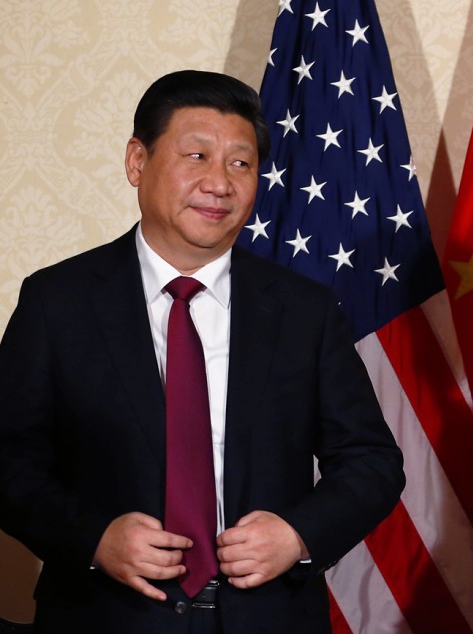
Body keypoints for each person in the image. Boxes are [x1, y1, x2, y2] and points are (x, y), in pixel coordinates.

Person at [0, 70, 405, 633]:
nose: (220, 183)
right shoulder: (56, 301)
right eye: (196, 156)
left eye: (240, 163)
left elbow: (372, 461)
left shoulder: (305, 311)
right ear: (137, 162)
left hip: (267, 617)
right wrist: (93, 538)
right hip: (105, 616)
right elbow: (10, 461)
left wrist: (297, 535)